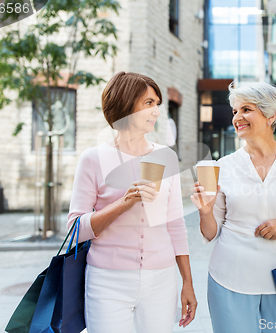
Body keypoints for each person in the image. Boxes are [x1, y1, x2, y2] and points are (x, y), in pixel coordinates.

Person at [191, 82, 276, 332]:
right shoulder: (224, 165)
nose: (237, 117)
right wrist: (205, 211)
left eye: (246, 109)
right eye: (234, 111)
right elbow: (211, 233)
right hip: (229, 280)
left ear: (270, 115)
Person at [67, 72, 197, 333]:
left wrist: (187, 283)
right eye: (149, 103)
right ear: (126, 105)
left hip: (161, 278)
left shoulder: (165, 157)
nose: (157, 111)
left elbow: (175, 226)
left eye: (158, 103)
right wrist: (123, 203)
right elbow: (74, 229)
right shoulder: (93, 158)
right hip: (107, 281)